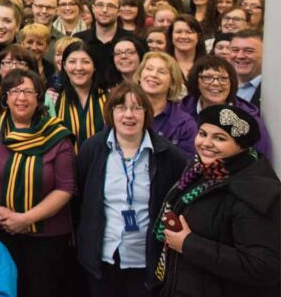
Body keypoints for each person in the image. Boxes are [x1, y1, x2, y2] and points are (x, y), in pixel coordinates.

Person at [151, 104, 281, 296]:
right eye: (203, 134)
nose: (206, 143)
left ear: (241, 146)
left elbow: (262, 268)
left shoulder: (257, 191)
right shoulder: (198, 171)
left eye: (219, 138)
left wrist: (188, 244)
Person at [75, 82, 188, 297]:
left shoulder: (168, 154)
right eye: (121, 108)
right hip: (103, 257)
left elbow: (178, 201)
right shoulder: (92, 148)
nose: (129, 115)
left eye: (137, 108)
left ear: (147, 113)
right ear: (111, 112)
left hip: (147, 259)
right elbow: (80, 198)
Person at [0, 69, 75, 297]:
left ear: (39, 97)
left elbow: (66, 187)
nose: (21, 98)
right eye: (15, 91)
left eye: (28, 92)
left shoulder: (57, 134)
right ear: (5, 97)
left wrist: (25, 219)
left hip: (46, 238)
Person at [180, 55, 272, 159]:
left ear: (231, 83)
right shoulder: (180, 114)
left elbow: (260, 160)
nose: (215, 83)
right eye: (207, 78)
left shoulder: (247, 119)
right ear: (196, 82)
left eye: (223, 78)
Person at [136, 52, 197, 157]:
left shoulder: (184, 124)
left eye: (161, 72)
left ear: (172, 82)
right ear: (140, 76)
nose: (153, 75)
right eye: (149, 69)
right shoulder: (122, 113)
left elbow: (185, 166)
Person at [48, 41, 106, 148]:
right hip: (65, 161)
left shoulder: (109, 97)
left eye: (85, 62)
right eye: (72, 62)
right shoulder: (52, 97)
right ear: (64, 66)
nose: (79, 68)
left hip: (102, 162)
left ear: (94, 66)